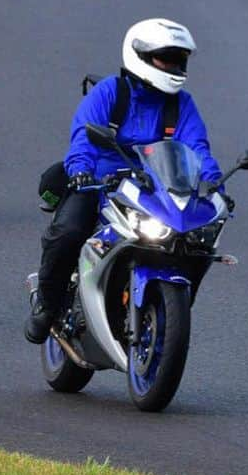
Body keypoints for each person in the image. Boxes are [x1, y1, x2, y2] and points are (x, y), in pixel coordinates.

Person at [25, 18, 224, 343]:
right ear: (140, 56)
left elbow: (197, 148)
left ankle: (169, 309)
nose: (174, 65)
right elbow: (83, 139)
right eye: (166, 57)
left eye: (179, 59)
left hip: (154, 189)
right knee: (69, 232)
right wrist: (80, 172)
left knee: (197, 242)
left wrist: (214, 183)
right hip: (98, 182)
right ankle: (46, 305)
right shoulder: (110, 93)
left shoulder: (182, 105)